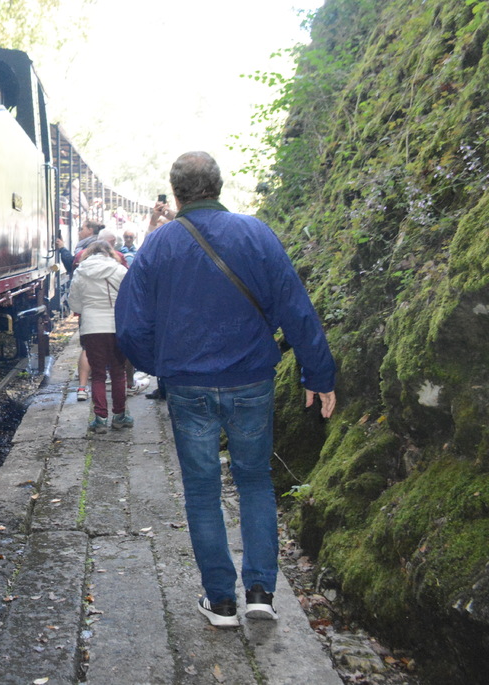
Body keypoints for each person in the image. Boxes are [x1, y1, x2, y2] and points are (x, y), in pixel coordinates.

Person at [114, 151, 337, 629]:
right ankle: (260, 592)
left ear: (177, 194)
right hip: (251, 380)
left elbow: (130, 325)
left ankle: (220, 601)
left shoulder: (158, 245)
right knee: (255, 481)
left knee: (201, 491)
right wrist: (318, 375)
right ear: (218, 185)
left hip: (188, 386)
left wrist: (162, 365)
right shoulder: (255, 233)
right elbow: (296, 306)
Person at [69, 240, 131, 434]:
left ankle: (100, 419)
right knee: (118, 372)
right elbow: (130, 298)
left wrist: (89, 309)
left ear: (89, 253)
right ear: (110, 253)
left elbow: (74, 304)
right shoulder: (120, 270)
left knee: (98, 374)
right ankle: (120, 416)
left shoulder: (80, 272)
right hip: (116, 326)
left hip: (92, 328)